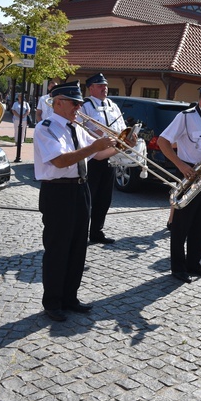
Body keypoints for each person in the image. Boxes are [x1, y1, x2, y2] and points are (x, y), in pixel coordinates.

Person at [33, 81, 117, 322]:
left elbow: (97, 155)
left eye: (80, 103)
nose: (78, 108)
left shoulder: (77, 128)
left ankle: (70, 297)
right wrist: (94, 145)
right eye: (74, 103)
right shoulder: (45, 127)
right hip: (57, 192)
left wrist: (121, 147)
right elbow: (60, 161)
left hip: (81, 189)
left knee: (78, 247)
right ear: (58, 102)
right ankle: (53, 301)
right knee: (58, 248)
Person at [157, 85, 201, 283]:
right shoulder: (185, 117)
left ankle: (194, 263)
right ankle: (178, 267)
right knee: (181, 224)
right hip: (190, 172)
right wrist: (181, 165)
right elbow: (163, 141)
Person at [81, 73, 127, 244]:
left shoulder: (113, 106)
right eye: (100, 85)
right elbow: (78, 129)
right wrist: (96, 133)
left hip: (111, 155)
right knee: (89, 196)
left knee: (104, 198)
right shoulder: (85, 106)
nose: (104, 88)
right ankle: (81, 231)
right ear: (91, 87)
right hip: (92, 157)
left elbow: (122, 128)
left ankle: (97, 231)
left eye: (105, 85)